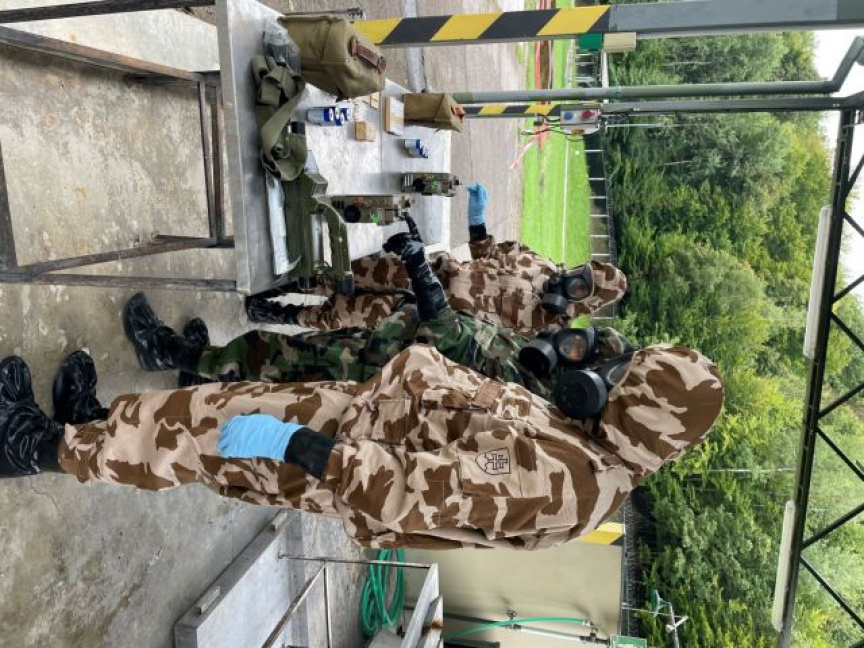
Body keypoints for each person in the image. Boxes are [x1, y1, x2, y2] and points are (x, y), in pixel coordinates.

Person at [0, 335, 723, 550]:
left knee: (193, 438)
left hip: (326, 452)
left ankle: (34, 448)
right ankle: (91, 429)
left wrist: (300, 447)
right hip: (347, 422)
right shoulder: (586, 441)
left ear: (645, 414)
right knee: (198, 414)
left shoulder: (574, 480)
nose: (604, 376)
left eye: (625, 381)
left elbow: (419, 493)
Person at [122, 227, 635, 409]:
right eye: (580, 340)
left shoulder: (529, 382)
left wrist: (422, 278)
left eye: (579, 352)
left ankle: (168, 353)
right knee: (274, 360)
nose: (569, 344)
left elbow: (456, 340)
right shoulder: (536, 351)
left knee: (268, 358)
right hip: (391, 340)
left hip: (378, 368)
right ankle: (200, 366)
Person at [245, 184, 627, 335]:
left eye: (581, 289)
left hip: (426, 313)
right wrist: (477, 221)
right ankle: (283, 285)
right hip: (428, 269)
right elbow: (487, 252)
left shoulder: (550, 330)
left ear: (586, 303)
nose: (572, 282)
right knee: (352, 274)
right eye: (581, 274)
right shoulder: (540, 264)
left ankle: (279, 314)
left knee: (344, 314)